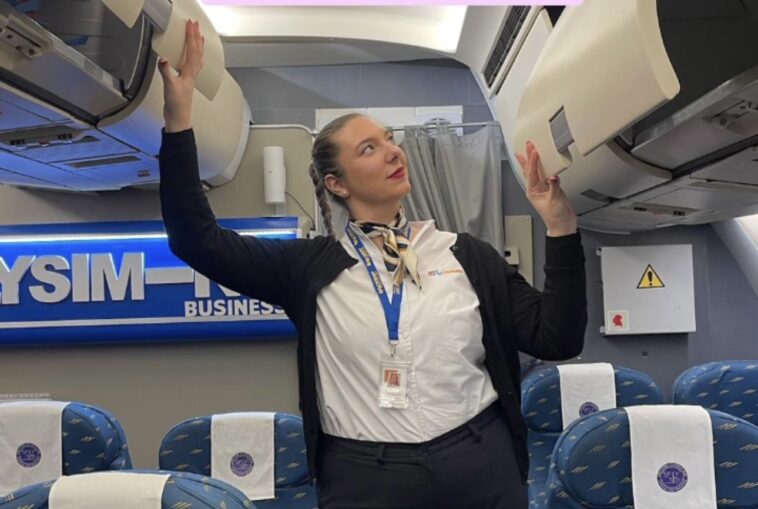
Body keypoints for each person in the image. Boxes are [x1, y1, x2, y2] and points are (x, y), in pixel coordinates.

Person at [158, 20, 587, 509]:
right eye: (369, 149)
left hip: (478, 461)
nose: (392, 152)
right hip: (366, 478)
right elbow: (197, 241)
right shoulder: (307, 268)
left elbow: (558, 339)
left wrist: (561, 228)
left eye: (388, 139)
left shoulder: (466, 255)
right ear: (337, 184)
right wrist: (179, 120)